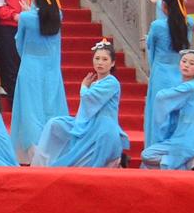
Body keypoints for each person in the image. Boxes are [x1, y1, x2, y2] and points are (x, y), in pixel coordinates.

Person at [32, 41, 131, 169]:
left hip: (104, 128)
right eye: (97, 58)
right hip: (91, 124)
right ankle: (42, 163)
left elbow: (88, 98)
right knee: (55, 124)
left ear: (112, 63)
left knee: (87, 164)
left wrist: (84, 87)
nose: (100, 62)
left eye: (105, 59)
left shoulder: (111, 82)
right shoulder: (97, 83)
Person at [8, 0, 68, 163]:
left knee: (30, 108)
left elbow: (19, 42)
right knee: (51, 106)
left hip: (31, 66)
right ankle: (54, 150)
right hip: (51, 68)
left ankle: (32, 151)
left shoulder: (26, 17)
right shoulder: (58, 14)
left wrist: (28, 11)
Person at [140, 49, 194, 172]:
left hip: (188, 136)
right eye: (184, 61)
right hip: (193, 134)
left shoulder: (190, 87)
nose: (186, 65)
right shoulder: (192, 85)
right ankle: (193, 161)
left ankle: (190, 162)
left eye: (192, 63)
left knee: (148, 155)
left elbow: (162, 98)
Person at [143, 0, 194, 150]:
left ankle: (157, 152)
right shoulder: (189, 23)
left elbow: (151, 44)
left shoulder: (157, 26)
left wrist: (147, 40)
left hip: (160, 74)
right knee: (177, 115)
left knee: (159, 115)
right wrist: (160, 3)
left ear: (165, 7)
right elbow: (174, 18)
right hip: (179, 73)